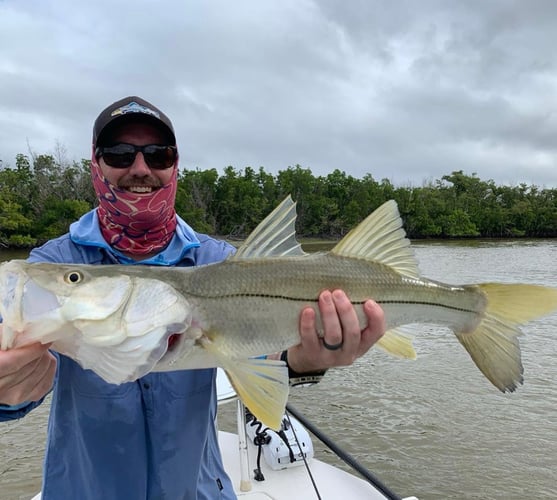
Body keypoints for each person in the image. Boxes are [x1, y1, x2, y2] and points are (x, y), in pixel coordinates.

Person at [0, 96, 386, 499]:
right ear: (96, 164)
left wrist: (309, 360)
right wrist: (8, 390)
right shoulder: (54, 264)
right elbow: (10, 347)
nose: (140, 168)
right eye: (119, 153)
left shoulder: (220, 262)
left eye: (158, 154)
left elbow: (262, 357)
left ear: (175, 165)